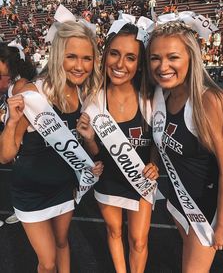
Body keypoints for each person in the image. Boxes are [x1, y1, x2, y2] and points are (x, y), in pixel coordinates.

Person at [0, 20, 103, 273]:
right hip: (31, 193)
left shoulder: (81, 94)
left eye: (87, 58)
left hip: (63, 188)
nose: (80, 66)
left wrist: (91, 163)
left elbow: (76, 144)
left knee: (62, 243)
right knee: (47, 263)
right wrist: (12, 123)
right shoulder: (34, 95)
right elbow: (5, 156)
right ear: (58, 56)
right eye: (71, 56)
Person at [147, 21, 223, 273]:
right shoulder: (162, 97)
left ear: (191, 58)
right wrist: (154, 161)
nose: (163, 66)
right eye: (155, 58)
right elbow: (161, 143)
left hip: (205, 210)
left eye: (173, 57)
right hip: (177, 202)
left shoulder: (212, 102)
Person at [77, 19, 159, 273]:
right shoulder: (94, 101)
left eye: (130, 57)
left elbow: (158, 143)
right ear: (105, 56)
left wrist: (155, 163)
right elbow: (97, 156)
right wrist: (89, 139)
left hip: (141, 180)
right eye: (114, 53)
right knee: (114, 232)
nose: (120, 64)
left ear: (140, 63)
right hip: (109, 180)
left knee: (138, 240)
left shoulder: (152, 99)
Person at [0, 42, 37, 226]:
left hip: (24, 140)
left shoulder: (20, 85)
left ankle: (26, 210)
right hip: (19, 139)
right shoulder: (13, 83)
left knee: (23, 176)